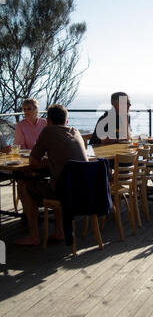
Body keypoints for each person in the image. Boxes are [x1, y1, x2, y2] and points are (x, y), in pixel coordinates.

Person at [15, 104, 88, 246]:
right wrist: (52, 161)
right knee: (57, 181)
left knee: (25, 186)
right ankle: (59, 231)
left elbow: (33, 160)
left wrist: (44, 163)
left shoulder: (48, 131)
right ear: (66, 121)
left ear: (47, 120)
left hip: (64, 191)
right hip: (83, 190)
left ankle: (34, 236)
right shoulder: (75, 131)